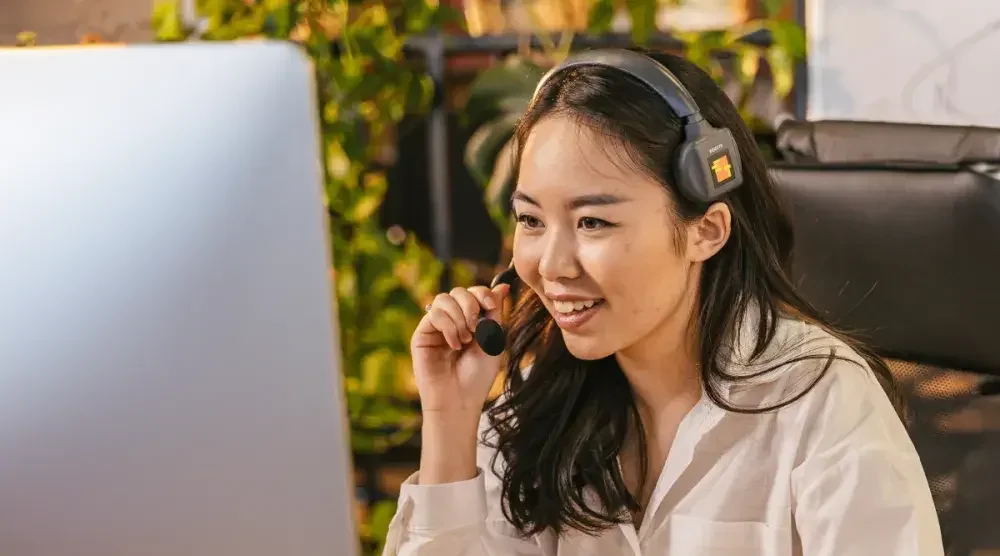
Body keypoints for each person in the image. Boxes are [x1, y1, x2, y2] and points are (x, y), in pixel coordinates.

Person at [383, 49, 944, 555]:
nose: (551, 265)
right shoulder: (539, 404)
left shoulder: (819, 401)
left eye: (593, 221)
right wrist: (450, 424)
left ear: (706, 230)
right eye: (531, 219)